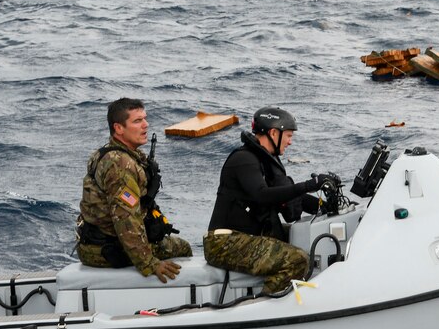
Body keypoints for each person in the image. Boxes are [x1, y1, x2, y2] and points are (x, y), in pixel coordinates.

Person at [204, 106, 332, 294]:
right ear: (273, 133)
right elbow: (262, 195)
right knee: (297, 259)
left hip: (248, 236)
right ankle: (265, 304)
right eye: (288, 136)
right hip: (223, 243)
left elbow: (288, 196)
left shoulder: (264, 161)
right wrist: (308, 184)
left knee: (307, 235)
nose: (290, 142)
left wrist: (326, 207)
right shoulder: (244, 159)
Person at [77, 98, 192, 282]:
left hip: (96, 242)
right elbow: (125, 219)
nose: (145, 125)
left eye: (145, 119)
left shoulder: (111, 152)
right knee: (182, 248)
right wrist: (149, 263)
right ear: (119, 128)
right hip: (106, 250)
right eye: (137, 121)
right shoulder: (120, 165)